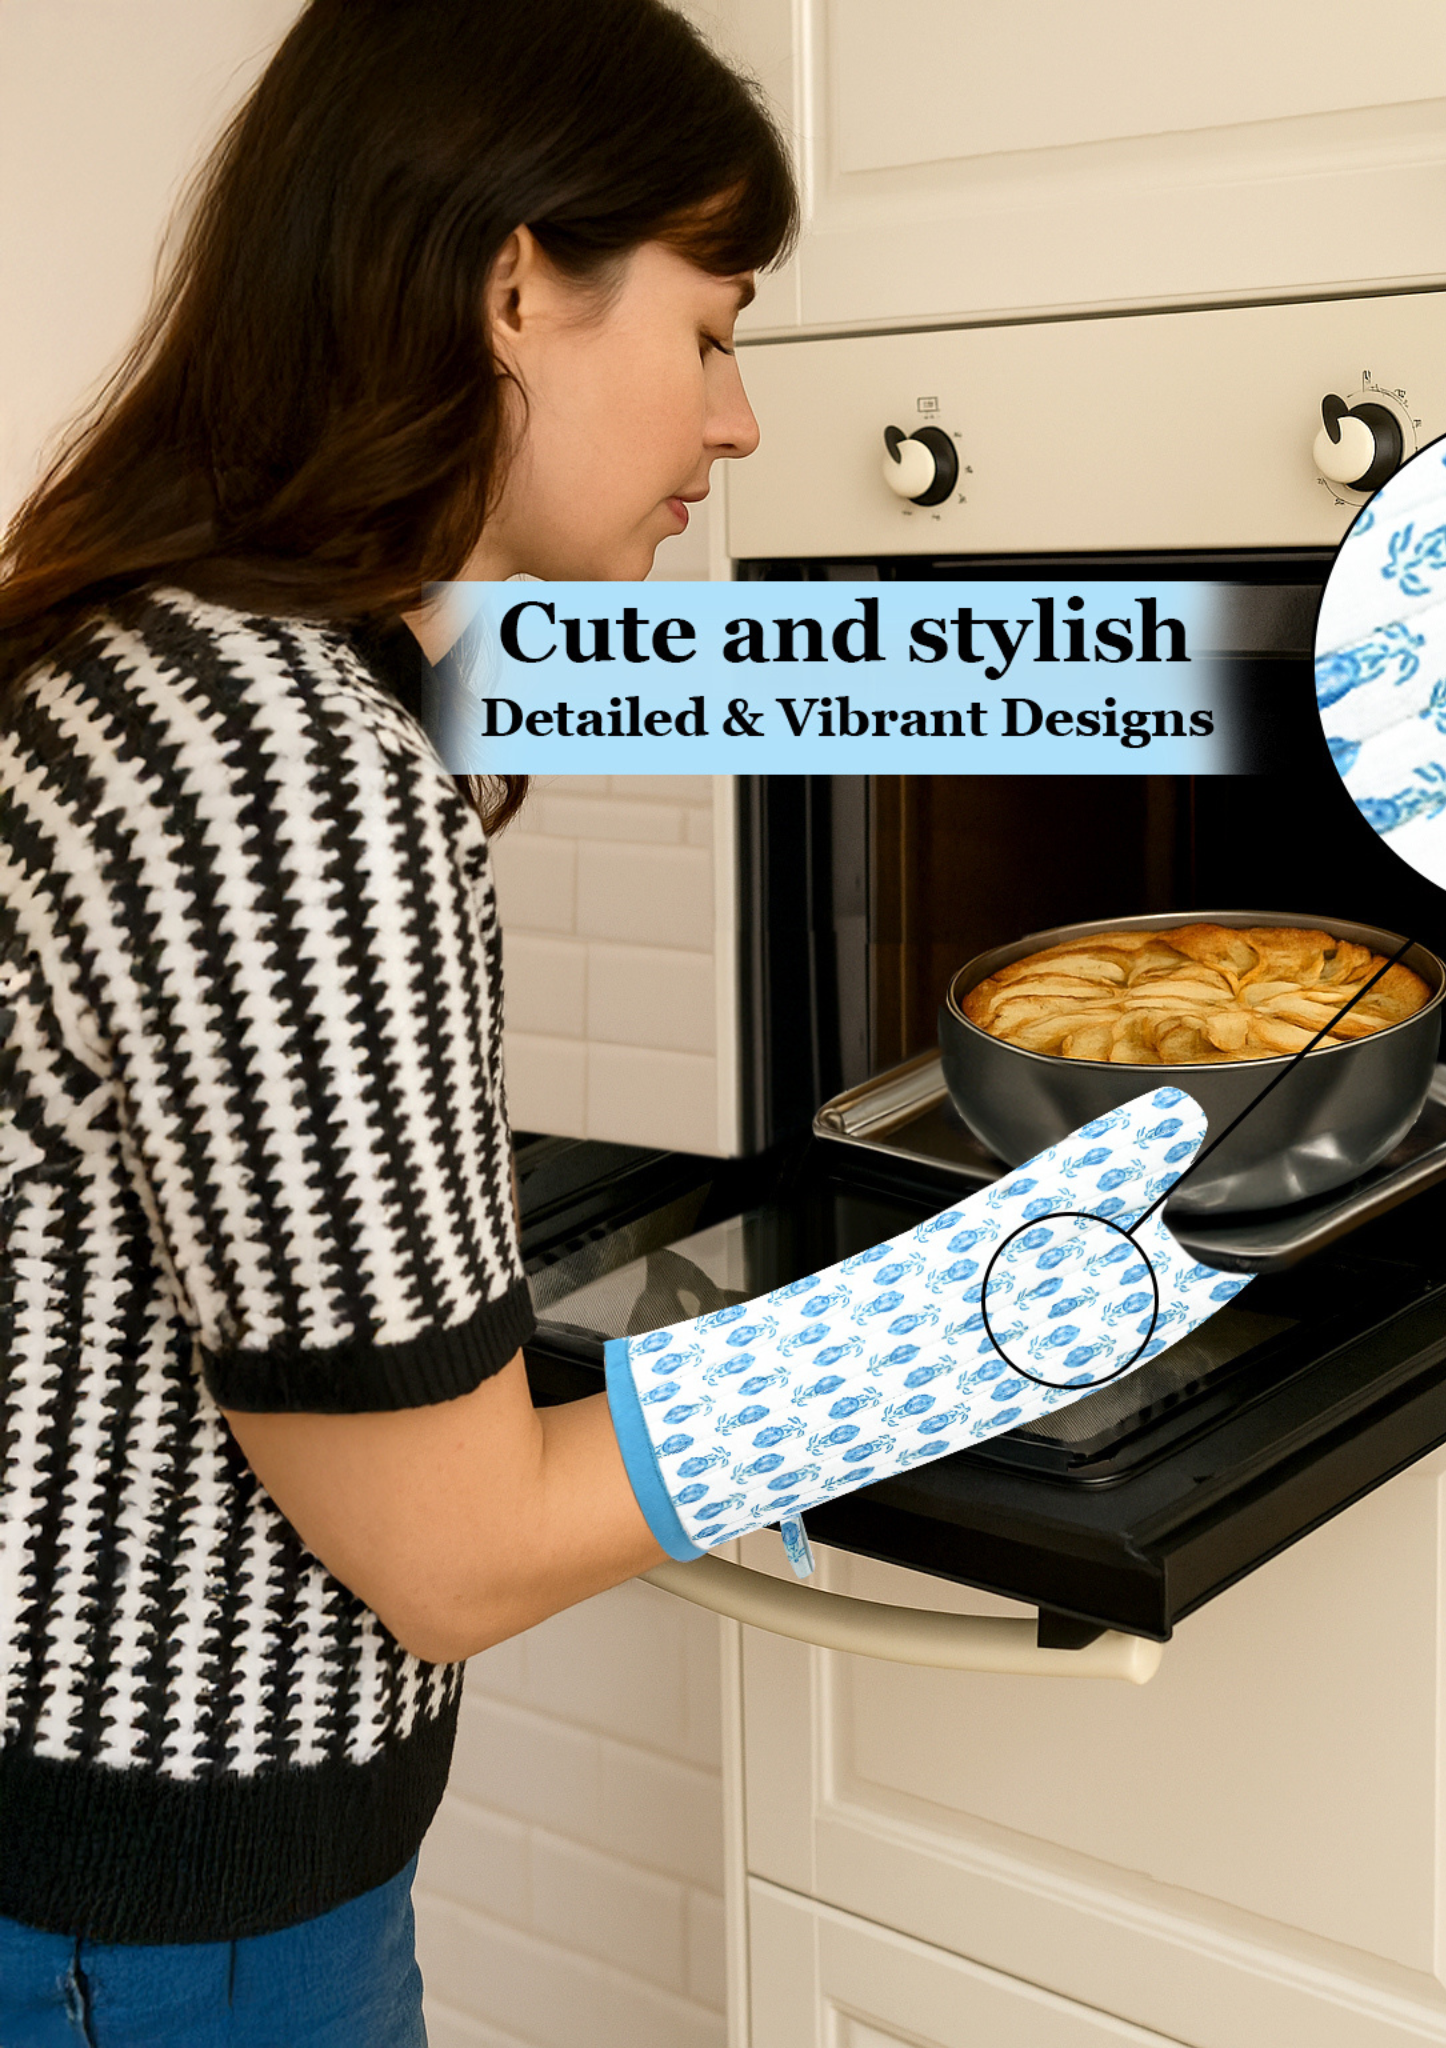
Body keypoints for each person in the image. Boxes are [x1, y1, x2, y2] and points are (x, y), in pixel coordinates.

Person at [0, 0, 795, 2037]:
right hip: (148, 1927)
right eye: (712, 327)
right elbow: (452, 1553)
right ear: (515, 284)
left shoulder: (155, 656)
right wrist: (991, 1316)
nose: (739, 421)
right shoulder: (273, 750)